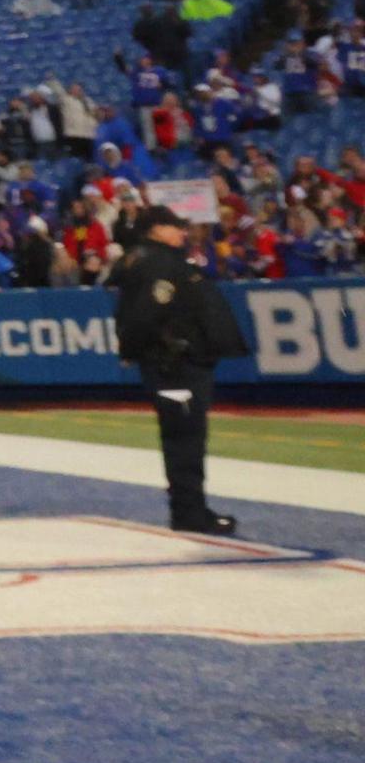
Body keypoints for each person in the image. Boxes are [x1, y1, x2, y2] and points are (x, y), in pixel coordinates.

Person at [112, 204, 242, 534]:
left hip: (171, 362)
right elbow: (146, 313)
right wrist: (141, 348)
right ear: (156, 228)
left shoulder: (142, 258)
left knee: (182, 438)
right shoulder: (160, 262)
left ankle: (189, 510)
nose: (183, 232)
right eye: (176, 226)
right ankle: (189, 513)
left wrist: (132, 349)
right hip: (175, 364)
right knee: (185, 440)